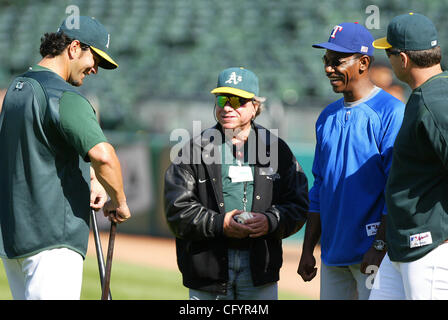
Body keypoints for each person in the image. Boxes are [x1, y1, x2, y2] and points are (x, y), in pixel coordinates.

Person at [0, 16, 131, 300]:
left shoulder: (15, 89)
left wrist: (92, 177)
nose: (96, 69)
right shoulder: (64, 96)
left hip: (14, 241)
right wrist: (118, 200)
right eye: (94, 58)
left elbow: (42, 150)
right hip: (52, 243)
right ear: (73, 48)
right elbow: (104, 156)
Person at [164, 67, 309, 300]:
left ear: (255, 106)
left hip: (259, 266)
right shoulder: (193, 150)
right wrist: (221, 223)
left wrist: (270, 221)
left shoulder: (276, 149)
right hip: (209, 267)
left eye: (238, 101)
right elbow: (177, 210)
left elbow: (298, 203)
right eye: (222, 99)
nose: (228, 107)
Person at [297, 22, 405, 300]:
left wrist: (378, 245)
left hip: (374, 252)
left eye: (338, 61)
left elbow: (396, 188)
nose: (328, 68)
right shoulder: (327, 116)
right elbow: (319, 186)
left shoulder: (391, 113)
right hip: (334, 252)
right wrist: (308, 249)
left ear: (363, 63)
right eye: (326, 61)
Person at [370, 12, 448, 300]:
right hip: (404, 245)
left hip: (431, 248)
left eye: (389, 53)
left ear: (402, 59)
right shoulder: (427, 94)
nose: (387, 60)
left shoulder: (436, 100)